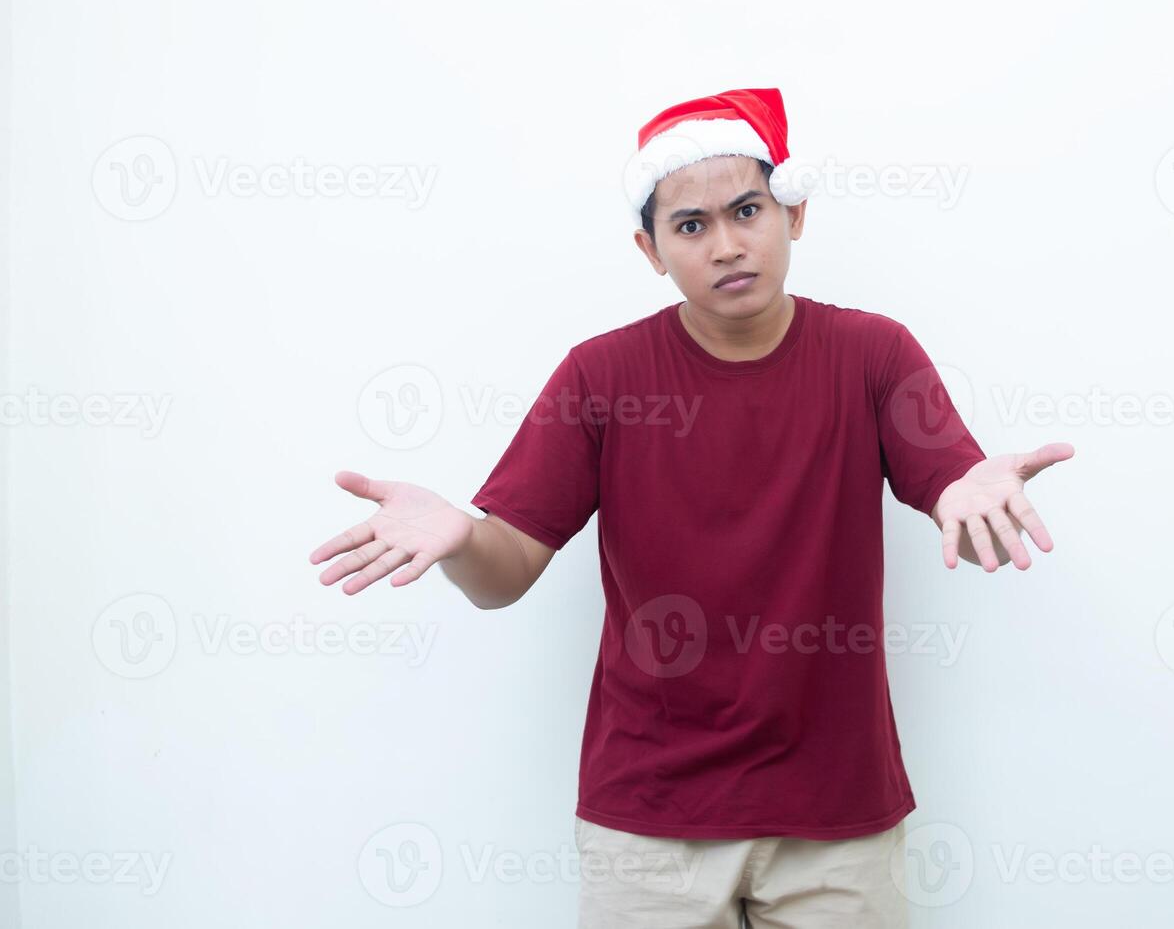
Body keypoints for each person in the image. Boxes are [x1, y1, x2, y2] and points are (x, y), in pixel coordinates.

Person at [309, 87, 1073, 927]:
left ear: (795, 213)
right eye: (691, 226)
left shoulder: (872, 354)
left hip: (837, 820)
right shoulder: (600, 377)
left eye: (748, 209)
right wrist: (462, 539)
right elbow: (504, 574)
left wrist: (967, 490)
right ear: (651, 250)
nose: (727, 245)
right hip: (650, 825)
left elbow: (949, 481)